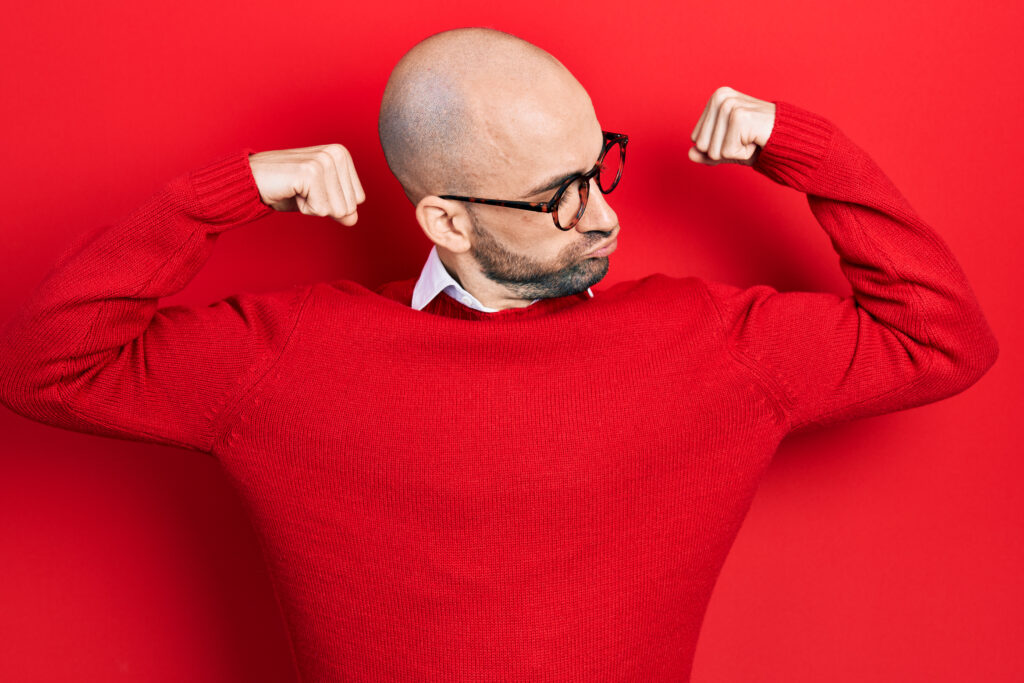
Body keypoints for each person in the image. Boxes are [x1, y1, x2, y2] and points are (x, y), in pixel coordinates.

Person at [0, 26, 998, 683]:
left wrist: (807, 150)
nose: (603, 215)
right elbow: (48, 365)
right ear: (445, 218)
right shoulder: (287, 354)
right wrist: (227, 194)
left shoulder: (712, 344)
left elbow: (942, 337)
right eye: (557, 194)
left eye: (598, 165)